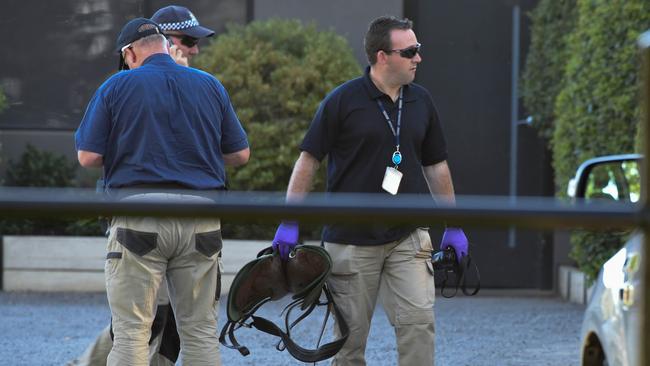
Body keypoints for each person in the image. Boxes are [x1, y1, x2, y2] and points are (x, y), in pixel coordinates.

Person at [271, 16, 469, 365]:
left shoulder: (421, 101)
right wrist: (290, 220)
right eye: (409, 51)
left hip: (408, 237)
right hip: (350, 240)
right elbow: (308, 160)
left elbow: (436, 165)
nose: (418, 58)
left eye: (418, 49)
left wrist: (453, 224)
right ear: (381, 56)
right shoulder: (342, 101)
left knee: (419, 324)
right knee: (349, 343)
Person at [75, 17, 249, 366]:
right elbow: (240, 154)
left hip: (138, 217)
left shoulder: (116, 86)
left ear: (129, 53)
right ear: (166, 46)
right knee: (199, 333)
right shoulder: (210, 85)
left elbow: (89, 156)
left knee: (132, 334)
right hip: (200, 219)